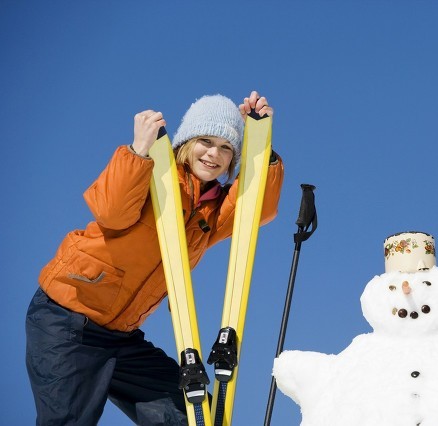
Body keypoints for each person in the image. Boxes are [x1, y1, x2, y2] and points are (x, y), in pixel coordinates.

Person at [25, 91, 284, 425]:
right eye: (206, 141)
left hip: (122, 337)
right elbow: (111, 212)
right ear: (188, 142)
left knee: (192, 415)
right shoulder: (155, 175)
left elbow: (256, 210)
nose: (214, 154)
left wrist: (262, 148)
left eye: (226, 148)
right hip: (68, 321)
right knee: (68, 420)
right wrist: (137, 151)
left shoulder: (211, 209)